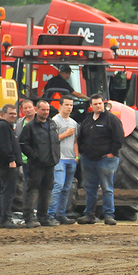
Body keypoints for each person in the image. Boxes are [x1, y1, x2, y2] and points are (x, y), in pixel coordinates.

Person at [77, 94, 124, 226]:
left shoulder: (112, 120)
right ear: (91, 106)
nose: (99, 106)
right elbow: (81, 138)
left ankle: (109, 215)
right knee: (90, 188)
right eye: (96, 104)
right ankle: (89, 215)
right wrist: (82, 152)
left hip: (106, 160)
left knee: (107, 188)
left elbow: (119, 138)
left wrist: (112, 153)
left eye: (100, 103)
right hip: (88, 159)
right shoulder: (87, 121)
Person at [18, 100, 61, 228]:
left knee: (47, 191)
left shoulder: (52, 124)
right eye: (43, 110)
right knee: (33, 191)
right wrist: (34, 156)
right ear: (37, 109)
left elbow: (55, 142)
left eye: (47, 110)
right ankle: (29, 218)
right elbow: (23, 144)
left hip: (50, 163)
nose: (46, 112)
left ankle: (43, 217)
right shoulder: (30, 127)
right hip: (36, 165)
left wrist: (55, 157)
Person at [48, 95, 79, 225]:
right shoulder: (55, 121)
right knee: (58, 186)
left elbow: (75, 141)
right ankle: (50, 214)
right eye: (66, 105)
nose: (69, 107)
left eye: (71, 105)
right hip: (59, 158)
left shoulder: (73, 122)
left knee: (67, 188)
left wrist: (76, 157)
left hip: (71, 159)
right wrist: (65, 134)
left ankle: (61, 214)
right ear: (60, 106)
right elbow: (52, 140)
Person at [0, 104, 23, 229]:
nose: (13, 116)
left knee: (5, 191)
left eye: (15, 113)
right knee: (8, 192)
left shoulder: (6, 127)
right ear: (3, 114)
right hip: (7, 164)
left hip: (6, 164)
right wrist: (11, 160)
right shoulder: (3, 127)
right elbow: (5, 146)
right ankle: (5, 219)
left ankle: (2, 218)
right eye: (11, 113)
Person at [15, 99, 36, 187]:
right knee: (27, 184)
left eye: (30, 107)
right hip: (24, 160)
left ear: (34, 108)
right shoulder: (19, 123)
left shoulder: (41, 122)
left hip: (37, 160)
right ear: (22, 110)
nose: (28, 110)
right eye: (25, 108)